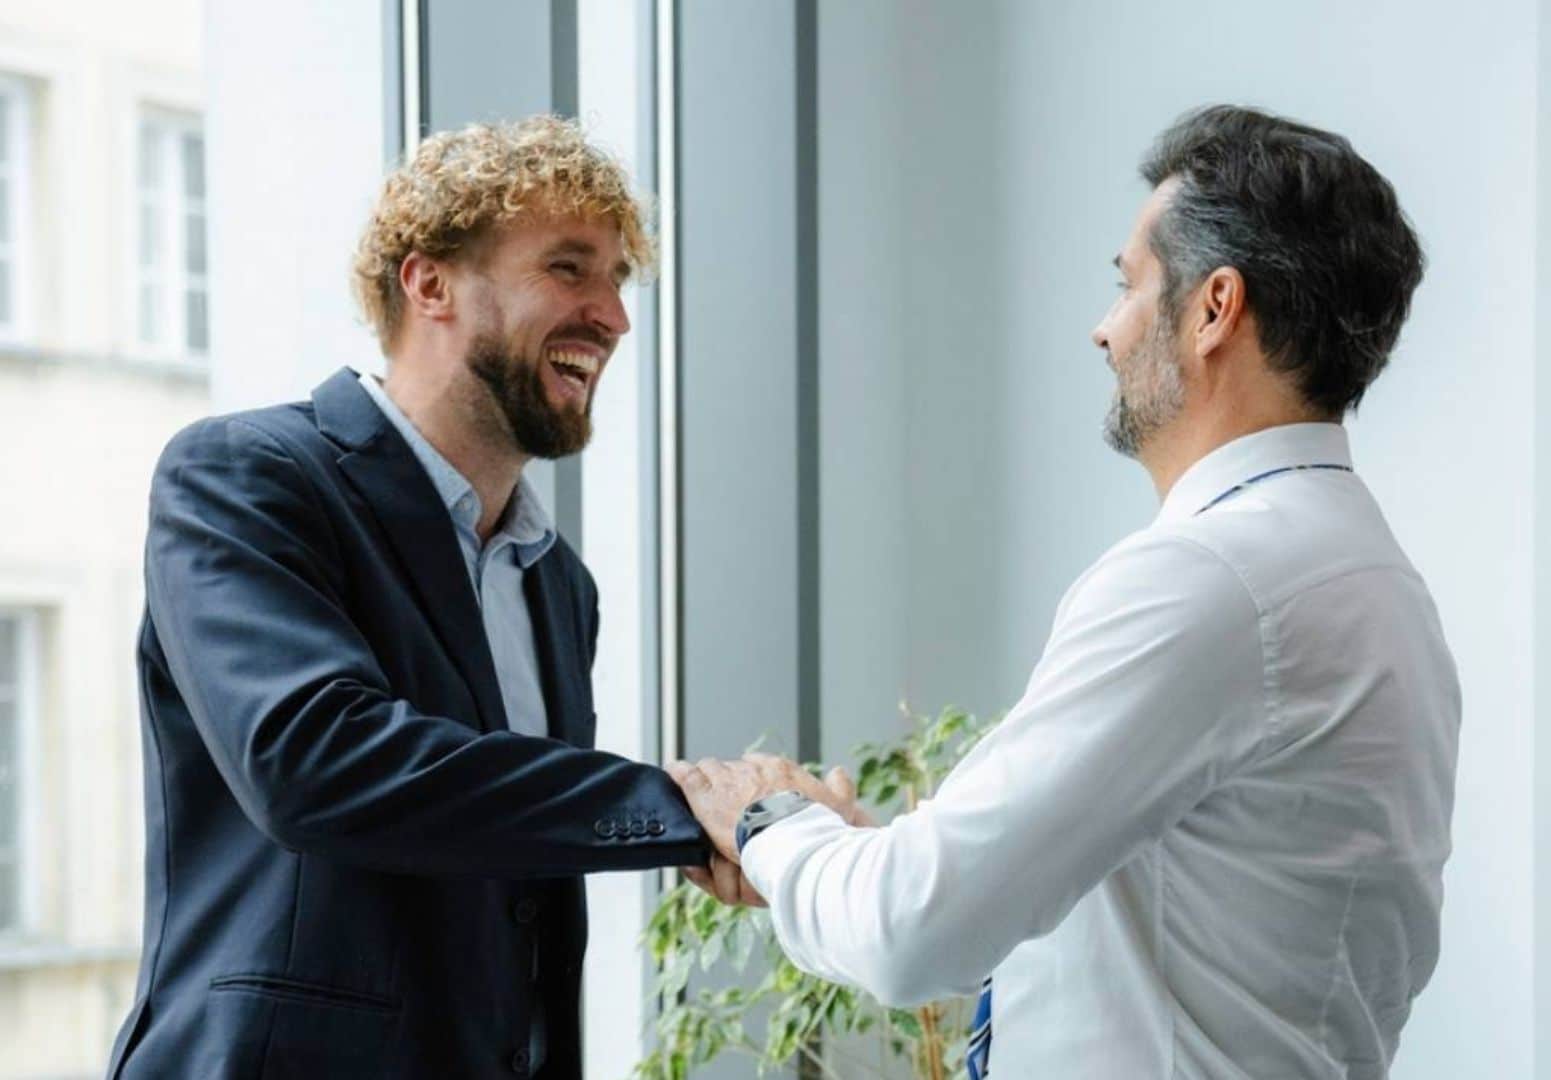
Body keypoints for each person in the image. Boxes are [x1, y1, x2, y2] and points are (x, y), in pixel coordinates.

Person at [671, 105, 1461, 1079]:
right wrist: (866, 857)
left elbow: (906, 933)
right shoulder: (1370, 578)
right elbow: (1166, 930)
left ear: (1215, 307)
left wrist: (765, 826)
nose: (1104, 329)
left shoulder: (1208, 583)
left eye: (1129, 285)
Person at [106, 116, 855, 1079]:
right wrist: (686, 809)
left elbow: (512, 867)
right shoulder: (245, 476)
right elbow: (315, 759)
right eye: (568, 268)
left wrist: (741, 835)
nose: (614, 317)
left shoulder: (558, 582)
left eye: (617, 279)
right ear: (430, 284)